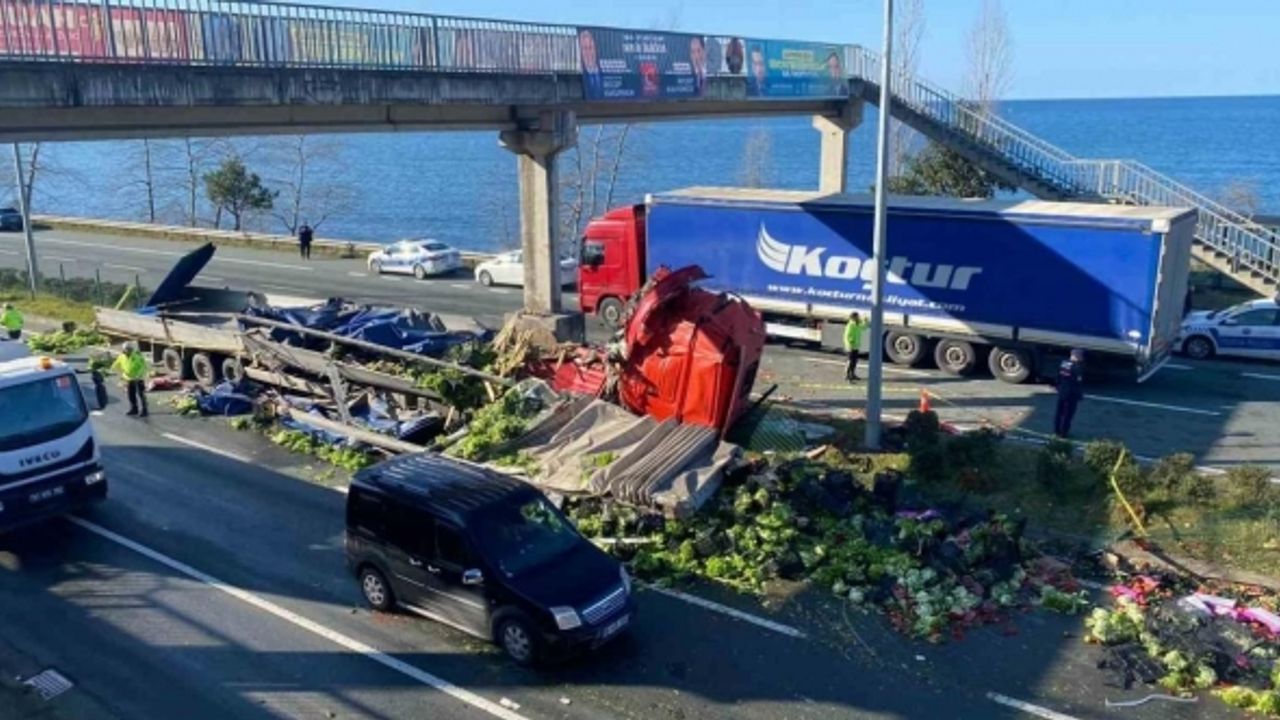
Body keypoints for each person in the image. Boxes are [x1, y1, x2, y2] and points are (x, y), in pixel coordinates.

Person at [112, 341, 149, 418]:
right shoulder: (122, 356)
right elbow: (116, 365)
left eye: (130, 349)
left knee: (141, 394)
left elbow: (143, 366)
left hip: (138, 378)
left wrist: (138, 375)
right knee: (131, 394)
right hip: (129, 378)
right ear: (124, 349)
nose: (128, 350)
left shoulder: (137, 356)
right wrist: (116, 372)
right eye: (127, 349)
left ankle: (144, 410)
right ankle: (134, 409)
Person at [1053, 348, 1085, 438]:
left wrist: (1058, 387)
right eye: (1081, 356)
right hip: (1071, 394)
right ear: (1077, 356)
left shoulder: (1063, 363)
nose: (1082, 358)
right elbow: (1078, 382)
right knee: (1068, 415)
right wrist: (1079, 395)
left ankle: (1056, 430)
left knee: (1059, 413)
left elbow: (1058, 377)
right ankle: (1064, 433)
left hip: (1062, 391)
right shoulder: (1077, 367)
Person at [578, 30, 603, 97]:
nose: (589, 53)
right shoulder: (581, 75)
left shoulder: (604, 72)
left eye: (591, 48)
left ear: (595, 49)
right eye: (585, 49)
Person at [843, 311, 867, 383]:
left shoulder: (857, 324)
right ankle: (848, 376)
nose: (858, 317)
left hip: (856, 346)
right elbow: (847, 336)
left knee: (854, 361)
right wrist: (850, 344)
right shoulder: (850, 325)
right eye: (857, 316)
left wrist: (865, 320)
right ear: (854, 317)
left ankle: (853, 374)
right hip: (850, 347)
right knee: (850, 361)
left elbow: (864, 328)